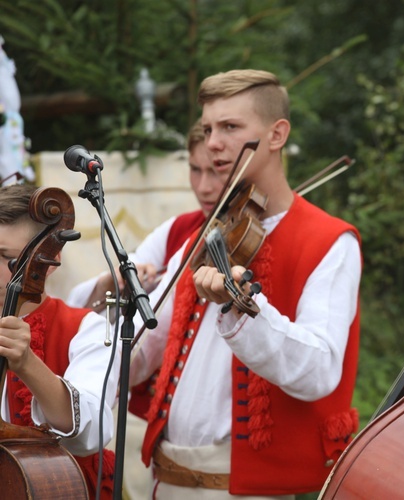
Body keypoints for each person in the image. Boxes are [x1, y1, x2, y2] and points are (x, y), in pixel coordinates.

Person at [131, 69, 362, 499]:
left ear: (277, 135)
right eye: (208, 128)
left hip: (244, 491)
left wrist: (244, 310)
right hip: (164, 482)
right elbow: (145, 351)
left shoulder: (330, 242)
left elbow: (320, 370)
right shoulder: (205, 234)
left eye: (230, 127)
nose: (214, 141)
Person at [66, 119, 229, 499]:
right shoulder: (179, 229)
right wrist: (121, 279)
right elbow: (95, 297)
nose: (204, 187)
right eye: (195, 169)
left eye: (217, 171)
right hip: (155, 426)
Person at [0, 183, 119, 499]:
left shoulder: (86, 330)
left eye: (4, 257)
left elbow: (90, 435)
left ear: (49, 259)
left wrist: (27, 364)